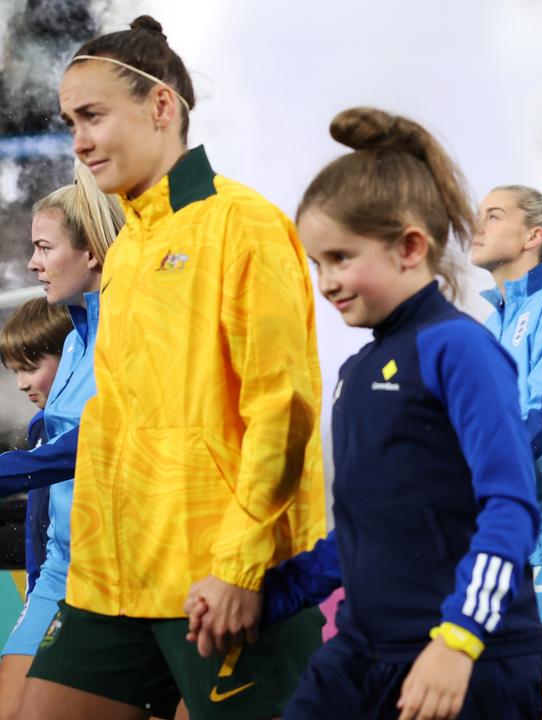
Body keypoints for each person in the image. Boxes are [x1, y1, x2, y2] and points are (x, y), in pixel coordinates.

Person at [20, 16, 326, 720]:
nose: (79, 141)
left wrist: (240, 566)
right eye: (70, 122)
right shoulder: (127, 249)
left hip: (216, 580)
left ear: (161, 106)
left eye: (92, 116)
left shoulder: (242, 224)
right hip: (109, 582)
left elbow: (282, 411)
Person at [258, 107, 542, 719]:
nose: (326, 281)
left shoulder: (460, 349)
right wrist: (267, 597)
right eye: (317, 264)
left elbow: (511, 508)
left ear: (411, 247)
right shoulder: (355, 372)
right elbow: (370, 529)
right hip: (362, 654)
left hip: (470, 662)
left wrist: (459, 639)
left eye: (340, 257)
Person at [0, 163, 124, 719]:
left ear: (92, 254)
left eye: (44, 247)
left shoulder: (129, 332)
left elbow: (89, 444)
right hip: (59, 572)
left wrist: (8, 470)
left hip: (124, 574)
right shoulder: (73, 338)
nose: (32, 263)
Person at [471, 186, 542, 624]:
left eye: (493, 216)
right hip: (505, 520)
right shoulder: (490, 320)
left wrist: (479, 471)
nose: (477, 226)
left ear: (533, 236)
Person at [0, 299, 71, 719]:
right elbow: (39, 527)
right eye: (15, 373)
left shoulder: (103, 417)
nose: (23, 384)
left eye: (31, 366)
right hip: (51, 582)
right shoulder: (39, 427)